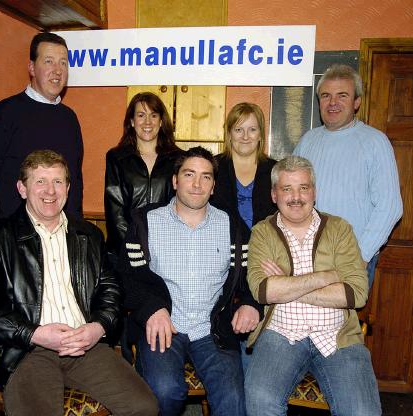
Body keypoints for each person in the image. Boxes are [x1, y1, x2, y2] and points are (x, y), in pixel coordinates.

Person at [0, 150, 158, 416]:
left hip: (86, 346)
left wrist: (97, 329)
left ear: (67, 187)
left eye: (57, 181)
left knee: (144, 407)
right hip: (28, 351)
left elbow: (111, 291)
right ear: (22, 188)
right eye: (40, 181)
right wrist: (34, 333)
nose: (50, 191)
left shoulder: (88, 234)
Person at [120, 146, 261, 416]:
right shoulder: (145, 223)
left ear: (213, 185)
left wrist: (249, 302)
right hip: (164, 327)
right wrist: (151, 307)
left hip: (213, 329)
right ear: (175, 181)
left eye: (206, 177)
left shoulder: (233, 226)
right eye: (189, 174)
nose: (197, 184)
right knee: (165, 391)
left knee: (233, 400)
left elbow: (248, 277)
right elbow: (128, 278)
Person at [244, 156, 381, 416]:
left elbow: (356, 293)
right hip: (281, 334)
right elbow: (263, 291)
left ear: (314, 192)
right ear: (274, 195)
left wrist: (289, 282)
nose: (296, 197)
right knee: (260, 401)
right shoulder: (262, 232)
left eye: (303, 188)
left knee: (363, 412)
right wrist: (326, 276)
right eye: (287, 189)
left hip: (337, 336)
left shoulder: (340, 229)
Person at [294, 64, 402, 289]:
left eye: (342, 95)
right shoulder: (308, 141)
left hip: (351, 258)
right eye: (326, 96)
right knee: (303, 322)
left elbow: (390, 206)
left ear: (356, 102)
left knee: (344, 324)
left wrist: (360, 256)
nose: (333, 103)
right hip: (305, 257)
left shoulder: (375, 142)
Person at [0, 32, 83, 222]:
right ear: (32, 67)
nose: (57, 70)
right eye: (49, 61)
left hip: (61, 238)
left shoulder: (70, 119)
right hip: (15, 239)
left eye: (63, 63)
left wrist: (77, 229)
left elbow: (74, 181)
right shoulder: (5, 113)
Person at [210, 102, 277, 369]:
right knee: (225, 346)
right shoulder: (213, 167)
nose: (246, 136)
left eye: (252, 129)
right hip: (222, 261)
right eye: (239, 129)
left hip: (263, 261)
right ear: (229, 133)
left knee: (257, 346)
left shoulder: (275, 170)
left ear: (261, 134)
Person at [104, 92, 183, 260]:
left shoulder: (179, 159)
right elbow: (115, 213)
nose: (147, 122)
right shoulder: (117, 158)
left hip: (167, 251)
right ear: (132, 121)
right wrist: (135, 248)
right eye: (141, 115)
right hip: (125, 250)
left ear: (161, 122)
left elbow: (181, 207)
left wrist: (159, 248)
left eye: (153, 115)